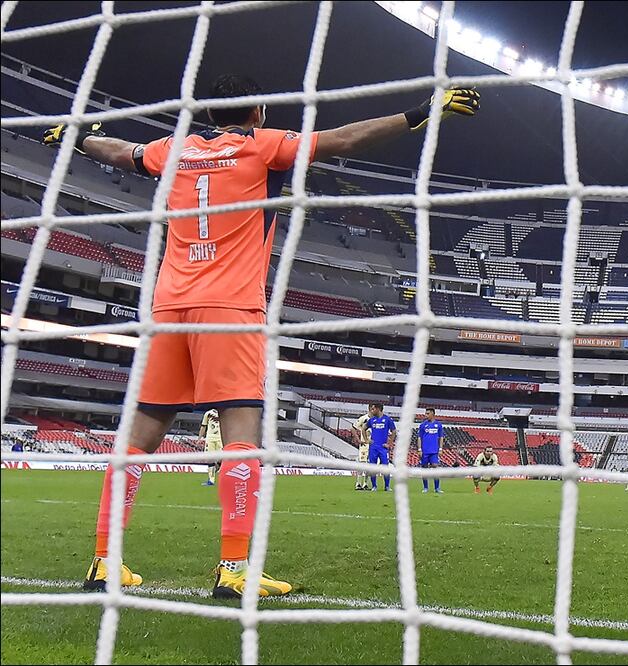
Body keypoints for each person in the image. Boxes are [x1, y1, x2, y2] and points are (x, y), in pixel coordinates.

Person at [45, 73, 480, 598]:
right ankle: (232, 570)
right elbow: (342, 139)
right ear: (258, 114)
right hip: (229, 309)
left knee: (136, 443)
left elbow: (120, 152)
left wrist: (77, 138)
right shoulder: (262, 146)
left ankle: (103, 561)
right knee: (242, 438)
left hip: (168, 307)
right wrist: (419, 113)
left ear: (206, 114)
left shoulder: (174, 150)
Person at [363, 404, 396, 491]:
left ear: (378, 409)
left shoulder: (387, 419)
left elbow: (394, 431)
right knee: (373, 467)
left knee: (385, 467)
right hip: (373, 447)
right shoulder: (372, 420)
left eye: (373, 409)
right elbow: (363, 428)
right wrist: (367, 440)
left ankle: (387, 486)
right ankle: (374, 486)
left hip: (383, 448)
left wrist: (389, 443)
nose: (372, 411)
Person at [418, 407, 444, 494]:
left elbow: (441, 438)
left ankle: (437, 488)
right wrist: (419, 449)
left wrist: (440, 448)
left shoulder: (438, 425)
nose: (426, 415)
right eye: (426, 413)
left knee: (435, 467)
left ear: (433, 414)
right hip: (424, 451)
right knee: (424, 469)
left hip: (434, 451)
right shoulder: (422, 425)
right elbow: (419, 438)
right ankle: (425, 488)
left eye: (428, 413)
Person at [198, 409, 223, 486]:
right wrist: (199, 438)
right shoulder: (208, 413)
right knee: (210, 459)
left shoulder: (223, 412)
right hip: (210, 439)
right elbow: (203, 426)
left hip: (221, 438)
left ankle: (216, 469)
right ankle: (211, 480)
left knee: (222, 459)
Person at [351, 406, 373, 491]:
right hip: (364, 445)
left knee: (370, 466)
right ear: (370, 409)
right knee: (362, 465)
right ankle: (358, 483)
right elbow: (353, 428)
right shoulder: (364, 418)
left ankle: (365, 484)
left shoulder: (377, 420)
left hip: (373, 446)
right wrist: (357, 439)